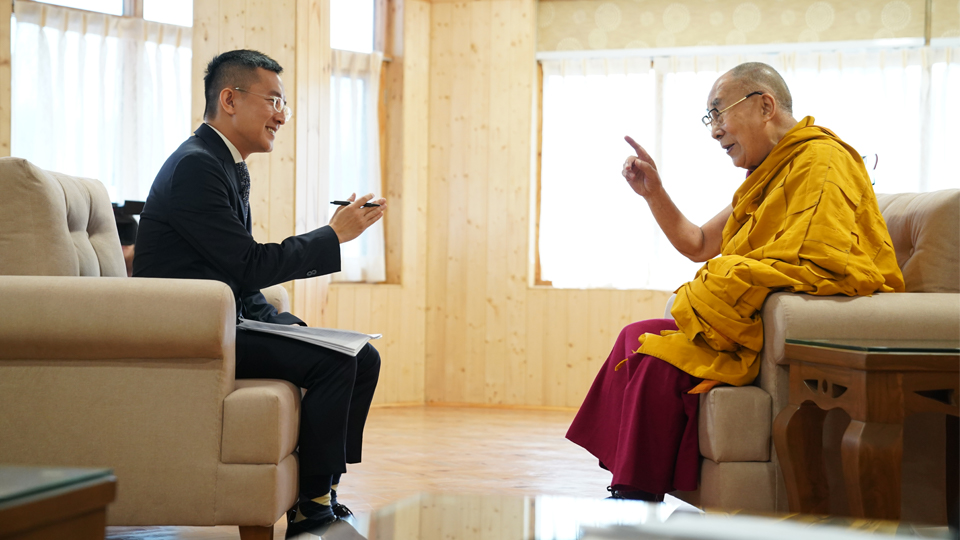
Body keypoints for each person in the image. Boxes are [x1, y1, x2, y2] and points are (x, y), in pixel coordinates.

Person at [566, 62, 904, 501]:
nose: (714, 131)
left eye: (718, 112)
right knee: (635, 339)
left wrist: (727, 277)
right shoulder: (765, 176)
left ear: (765, 105)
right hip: (752, 315)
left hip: (777, 324)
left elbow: (822, 260)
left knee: (651, 353)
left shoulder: (823, 160)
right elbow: (699, 242)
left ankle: (636, 493)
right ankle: (632, 488)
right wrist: (654, 192)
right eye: (710, 118)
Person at [133, 49, 384, 535]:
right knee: (339, 361)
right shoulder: (196, 167)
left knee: (361, 356)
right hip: (194, 330)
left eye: (284, 104)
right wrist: (332, 235)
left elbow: (233, 272)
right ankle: (310, 507)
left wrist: (280, 322)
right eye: (273, 100)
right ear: (229, 98)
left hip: (224, 319)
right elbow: (247, 263)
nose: (282, 116)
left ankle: (324, 486)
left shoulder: (220, 162)